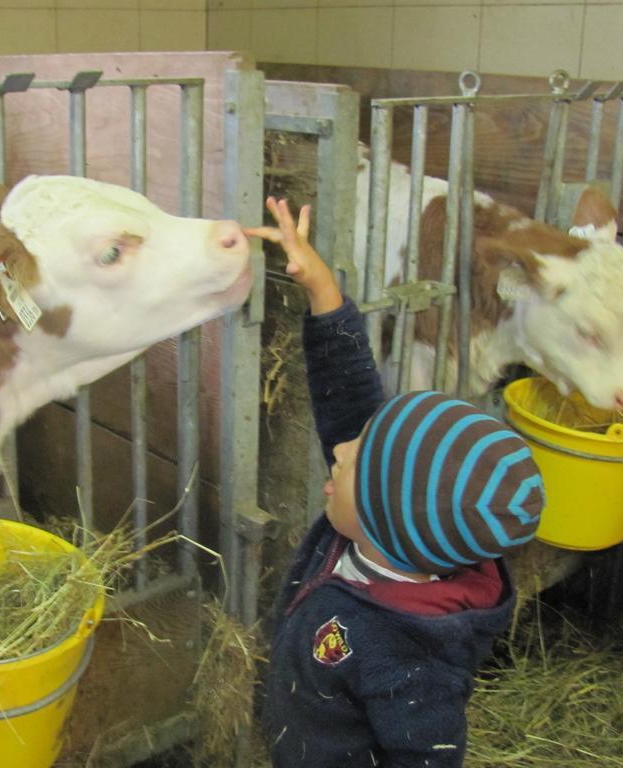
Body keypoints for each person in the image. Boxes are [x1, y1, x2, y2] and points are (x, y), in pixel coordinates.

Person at [244, 198, 545, 768]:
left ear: (387, 522)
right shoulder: (391, 522)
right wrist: (322, 288)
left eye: (356, 458)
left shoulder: (409, 660)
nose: (342, 447)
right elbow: (350, 397)